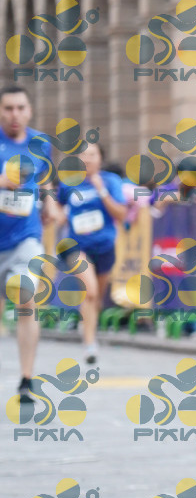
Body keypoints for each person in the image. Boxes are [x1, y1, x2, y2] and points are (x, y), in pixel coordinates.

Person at [0, 84, 56, 402]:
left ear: (30, 111)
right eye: (8, 108)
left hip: (26, 237)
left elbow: (44, 177)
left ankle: (26, 379)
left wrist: (49, 201)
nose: (15, 114)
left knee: (26, 296)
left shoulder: (40, 143)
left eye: (20, 108)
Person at [54, 139, 126, 366]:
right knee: (90, 290)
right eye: (83, 155)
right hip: (77, 247)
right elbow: (57, 204)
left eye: (92, 155)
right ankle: (89, 345)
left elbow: (121, 214)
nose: (87, 159)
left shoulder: (111, 181)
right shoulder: (69, 183)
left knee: (96, 299)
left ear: (100, 159)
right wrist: (59, 216)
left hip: (104, 247)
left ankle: (87, 325)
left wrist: (101, 190)